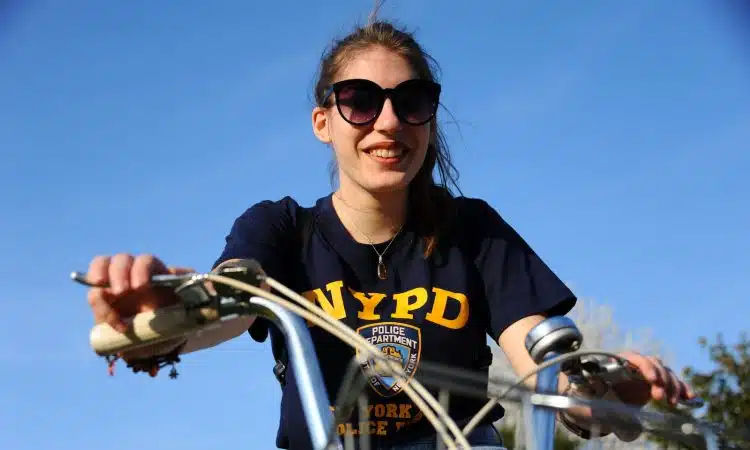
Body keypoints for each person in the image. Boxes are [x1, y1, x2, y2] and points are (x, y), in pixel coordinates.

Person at [83, 18, 696, 450]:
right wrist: (153, 320)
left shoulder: (472, 231)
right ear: (324, 121)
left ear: (429, 117)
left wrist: (608, 390)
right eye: (359, 100)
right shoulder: (280, 229)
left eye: (411, 101)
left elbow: (547, 367)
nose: (388, 121)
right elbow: (227, 307)